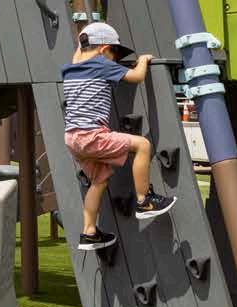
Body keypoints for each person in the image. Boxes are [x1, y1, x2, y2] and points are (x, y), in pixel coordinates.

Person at [61, 21, 173, 253]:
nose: (115, 61)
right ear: (104, 50)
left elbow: (80, 51)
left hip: (72, 138)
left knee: (99, 180)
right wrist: (143, 60)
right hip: (92, 135)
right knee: (142, 145)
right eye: (114, 54)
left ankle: (89, 232)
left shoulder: (71, 69)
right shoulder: (102, 64)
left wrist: (85, 38)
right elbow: (137, 76)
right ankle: (144, 200)